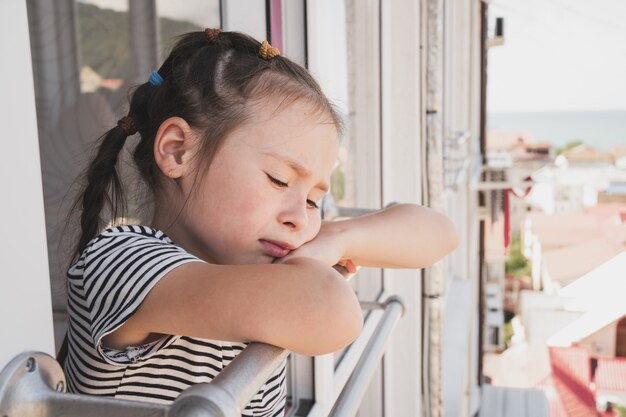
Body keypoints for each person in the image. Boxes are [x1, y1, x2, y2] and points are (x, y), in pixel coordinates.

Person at [63, 29, 458, 417]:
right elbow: (331, 312)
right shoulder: (120, 260)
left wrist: (334, 240)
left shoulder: (259, 263)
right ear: (178, 151)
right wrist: (316, 262)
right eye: (279, 180)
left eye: (313, 200)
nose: (299, 218)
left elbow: (439, 232)